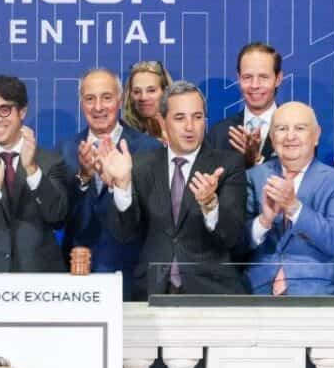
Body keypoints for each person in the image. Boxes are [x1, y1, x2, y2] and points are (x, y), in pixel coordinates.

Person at [102, 80, 247, 297]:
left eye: (197, 117)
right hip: (152, 289)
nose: (190, 127)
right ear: (162, 121)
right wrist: (122, 186)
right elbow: (124, 234)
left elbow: (232, 236)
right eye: (180, 118)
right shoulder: (141, 166)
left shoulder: (228, 165)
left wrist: (210, 205)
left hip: (210, 290)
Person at [58, 68, 160, 297]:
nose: (98, 107)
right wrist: (83, 177)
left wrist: (118, 184)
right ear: (81, 103)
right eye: (90, 99)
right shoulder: (65, 150)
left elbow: (153, 219)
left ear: (120, 99)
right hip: (78, 277)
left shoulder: (149, 150)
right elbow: (60, 215)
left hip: (130, 278)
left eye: (106, 97)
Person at [0, 75, 68, 272]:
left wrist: (33, 170)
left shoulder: (50, 161)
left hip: (39, 278)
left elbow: (57, 216)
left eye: (4, 110)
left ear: (22, 112)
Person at [245, 102, 334, 296]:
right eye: (281, 129)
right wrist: (264, 221)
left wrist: (294, 207)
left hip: (317, 294)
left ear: (316, 135)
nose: (290, 136)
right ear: (271, 136)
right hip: (259, 294)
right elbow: (238, 243)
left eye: (300, 128)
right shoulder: (254, 177)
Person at [204, 42, 282, 167]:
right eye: (247, 77)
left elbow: (300, 182)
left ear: (278, 79)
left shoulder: (295, 130)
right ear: (239, 78)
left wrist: (257, 160)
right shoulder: (219, 133)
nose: (255, 85)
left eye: (263, 77)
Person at [121, 59, 172, 142]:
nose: (143, 97)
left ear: (165, 92)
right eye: (137, 91)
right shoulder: (123, 135)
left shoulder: (184, 130)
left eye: (151, 90)